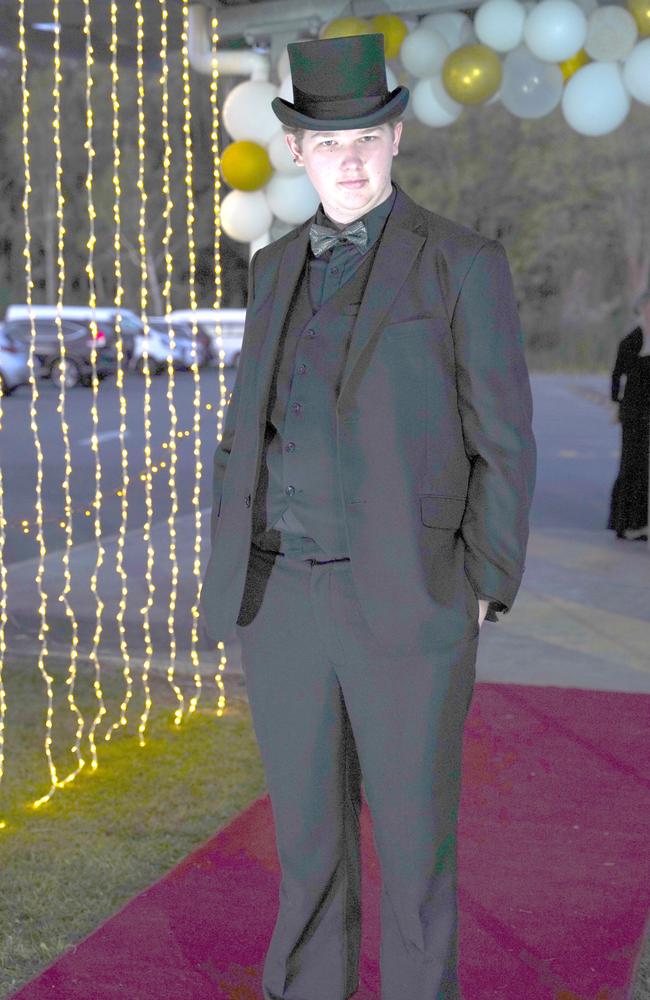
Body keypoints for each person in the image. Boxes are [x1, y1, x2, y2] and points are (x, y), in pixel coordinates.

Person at [200, 33, 537, 1000]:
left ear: (394, 141)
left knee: (416, 855)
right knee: (307, 850)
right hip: (284, 604)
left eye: (368, 136)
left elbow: (503, 442)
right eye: (328, 141)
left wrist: (481, 587)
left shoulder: (462, 264)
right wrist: (235, 565)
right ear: (299, 152)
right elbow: (243, 434)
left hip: (411, 603)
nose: (349, 156)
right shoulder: (272, 268)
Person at [608, 289, 650, 541]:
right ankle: (625, 522)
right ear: (641, 310)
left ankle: (642, 522)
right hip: (634, 414)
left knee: (645, 468)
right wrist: (618, 403)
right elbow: (616, 376)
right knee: (631, 465)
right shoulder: (631, 341)